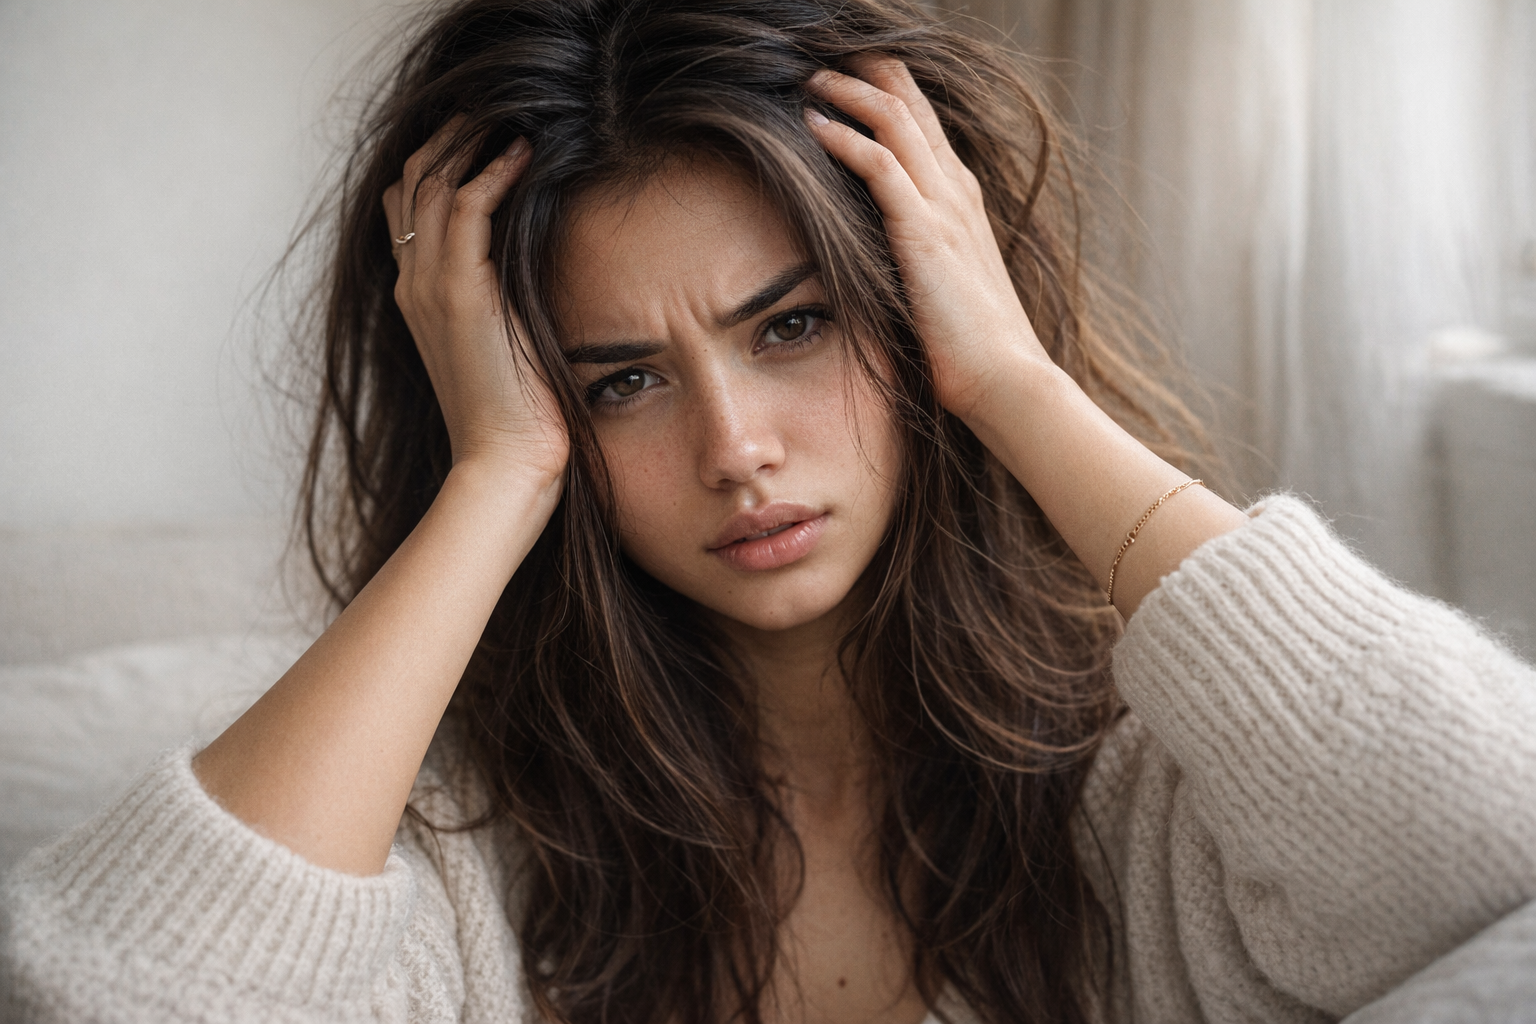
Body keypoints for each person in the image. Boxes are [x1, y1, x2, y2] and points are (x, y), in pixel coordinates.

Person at [4, 0, 1535, 1021]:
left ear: (916, 305)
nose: (736, 448)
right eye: (618, 384)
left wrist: (1009, 378)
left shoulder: (1154, 793)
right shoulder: (475, 855)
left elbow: (1489, 845)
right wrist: (493, 483)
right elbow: (108, 1000)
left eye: (791, 327)